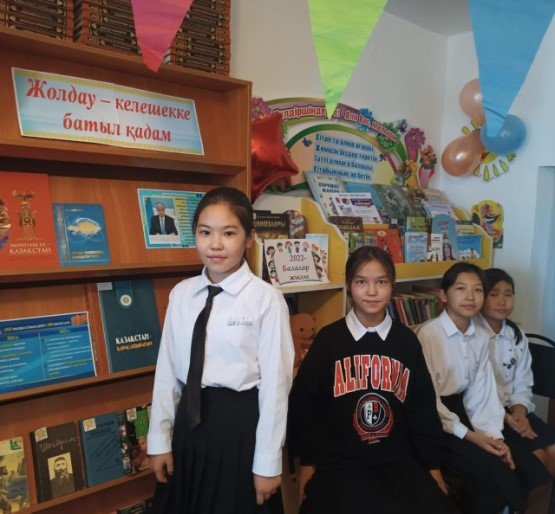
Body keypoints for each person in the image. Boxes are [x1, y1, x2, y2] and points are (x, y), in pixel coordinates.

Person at [148, 186, 294, 514]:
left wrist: (268, 463)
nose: (215, 244)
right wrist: (159, 440)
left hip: (239, 432)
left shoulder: (266, 300)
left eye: (229, 233)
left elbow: (276, 387)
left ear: (249, 237)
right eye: (205, 232)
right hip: (189, 427)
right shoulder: (182, 294)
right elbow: (167, 372)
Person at [287, 246, 458, 514]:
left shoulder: (406, 341)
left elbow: (421, 408)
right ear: (348, 285)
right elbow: (307, 405)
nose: (371, 291)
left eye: (381, 282)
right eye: (361, 282)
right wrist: (306, 462)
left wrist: (432, 466)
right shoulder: (329, 340)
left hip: (397, 459)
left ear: (392, 285)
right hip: (340, 462)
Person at [416, 262, 526, 514]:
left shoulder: (480, 337)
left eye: (477, 290)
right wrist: (473, 437)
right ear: (443, 295)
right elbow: (428, 401)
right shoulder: (427, 335)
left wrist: (493, 438)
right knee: (494, 471)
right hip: (433, 419)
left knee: (501, 463)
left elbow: (482, 393)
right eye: (461, 289)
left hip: (462, 411)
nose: (470, 296)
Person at [475, 268, 555, 511]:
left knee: (553, 450)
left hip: (516, 410)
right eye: (494, 294)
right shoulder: (473, 334)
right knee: (537, 459)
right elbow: (479, 390)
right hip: (491, 414)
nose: (502, 301)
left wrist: (520, 410)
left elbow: (523, 381)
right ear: (480, 297)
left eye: (508, 294)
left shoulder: (516, 334)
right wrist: (509, 417)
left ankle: (543, 506)